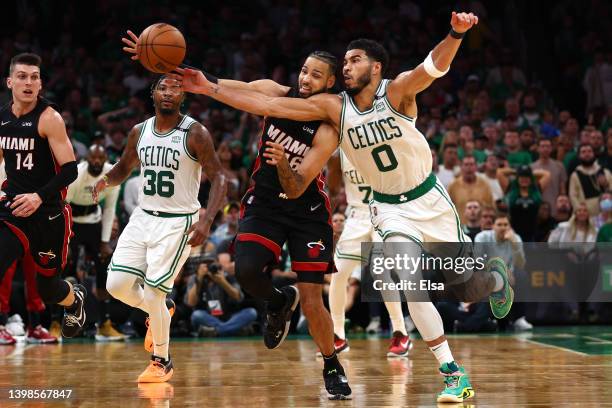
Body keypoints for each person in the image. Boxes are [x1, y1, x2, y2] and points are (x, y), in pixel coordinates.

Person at [176, 12, 515, 403]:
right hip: (388, 209)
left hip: (429, 199)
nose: (348, 65)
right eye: (346, 61)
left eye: (355, 60)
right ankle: (452, 373)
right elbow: (268, 102)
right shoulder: (335, 109)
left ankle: (493, 279)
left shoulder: (399, 91)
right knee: (412, 286)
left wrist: (456, 33)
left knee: (467, 284)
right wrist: (208, 88)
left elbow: (434, 66)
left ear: (376, 67)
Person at [122, 31, 353, 399]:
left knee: (313, 298)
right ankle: (278, 302)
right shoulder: (277, 92)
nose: (305, 79)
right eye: (303, 71)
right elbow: (234, 86)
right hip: (264, 204)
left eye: (315, 75)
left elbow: (295, 186)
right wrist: (186, 75)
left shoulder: (328, 126)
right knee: (245, 271)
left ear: (330, 82)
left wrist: (282, 167)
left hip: (305, 209)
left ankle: (331, 364)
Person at [92, 76, 227, 383]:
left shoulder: (195, 133)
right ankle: (160, 312)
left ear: (184, 95)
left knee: (154, 288)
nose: (169, 92)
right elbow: (125, 167)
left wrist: (206, 220)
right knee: (117, 285)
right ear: (152, 93)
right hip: (142, 217)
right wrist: (106, 181)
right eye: (163, 87)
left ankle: (161, 361)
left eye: (176, 88)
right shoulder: (139, 131)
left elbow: (219, 177)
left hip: (178, 220)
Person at [0, 53, 86, 339]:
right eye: (22, 76)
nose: (28, 82)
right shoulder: (2, 120)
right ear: (10, 82)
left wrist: (38, 196)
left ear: (40, 85)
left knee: (49, 289)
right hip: (13, 209)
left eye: (34, 77)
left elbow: (71, 170)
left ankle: (75, 301)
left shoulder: (50, 118)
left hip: (48, 213)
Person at [327, 150, 411, 357]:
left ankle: (400, 332)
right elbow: (335, 186)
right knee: (338, 274)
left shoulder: (382, 141)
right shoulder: (342, 147)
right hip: (356, 215)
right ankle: (338, 335)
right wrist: (332, 163)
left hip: (385, 212)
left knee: (381, 272)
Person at [66, 145, 123, 340]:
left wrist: (105, 241)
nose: (97, 161)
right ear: (87, 159)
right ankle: (58, 323)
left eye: (101, 157)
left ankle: (105, 324)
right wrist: (64, 239)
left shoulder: (112, 174)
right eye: (93, 158)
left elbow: (109, 209)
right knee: (67, 271)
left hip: (93, 223)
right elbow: (63, 206)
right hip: (72, 223)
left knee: (102, 270)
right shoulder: (77, 174)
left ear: (106, 157)